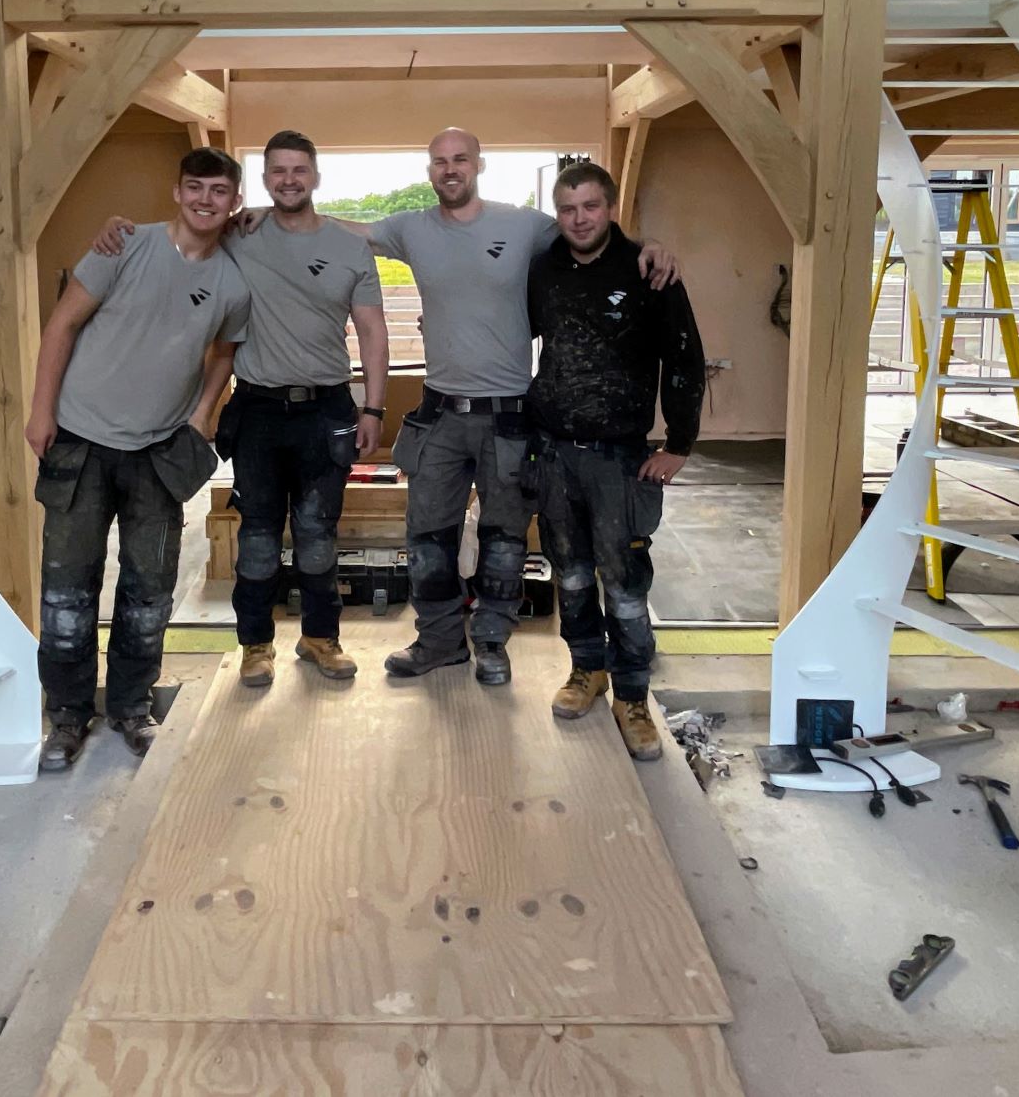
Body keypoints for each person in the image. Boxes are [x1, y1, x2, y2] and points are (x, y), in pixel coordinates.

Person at [314, 129, 677, 687]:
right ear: (429, 170)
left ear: (478, 165)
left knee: (505, 540)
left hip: (509, 416)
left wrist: (649, 243)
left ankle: (490, 643)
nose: (450, 168)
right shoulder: (409, 228)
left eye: (460, 159)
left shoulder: (523, 225)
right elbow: (350, 231)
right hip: (438, 414)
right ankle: (439, 642)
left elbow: (591, 232)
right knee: (427, 536)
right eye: (440, 161)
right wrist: (273, 214)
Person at [92, 132, 389, 689]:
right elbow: (187, 227)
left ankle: (321, 638)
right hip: (257, 410)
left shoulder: (349, 248)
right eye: (278, 171)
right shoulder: (238, 234)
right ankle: (255, 645)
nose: (289, 180)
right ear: (264, 179)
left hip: (326, 410)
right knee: (256, 540)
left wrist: (373, 407)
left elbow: (372, 329)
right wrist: (117, 227)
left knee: (317, 535)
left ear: (316, 176)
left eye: (299, 170)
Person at [24, 148, 250, 771]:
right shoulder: (122, 245)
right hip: (81, 438)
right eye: (195, 187)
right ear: (177, 192)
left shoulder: (232, 282)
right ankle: (67, 715)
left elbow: (224, 353)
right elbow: (62, 325)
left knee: (149, 591)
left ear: (234, 201)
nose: (206, 200)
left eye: (219, 191)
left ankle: (130, 706)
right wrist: (42, 411)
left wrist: (201, 418)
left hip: (159, 450)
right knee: (67, 592)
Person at [526, 161, 705, 762]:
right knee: (571, 574)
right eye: (568, 208)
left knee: (625, 584)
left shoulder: (648, 271)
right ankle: (587, 669)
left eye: (590, 206)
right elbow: (516, 331)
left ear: (609, 209)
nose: (579, 219)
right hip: (555, 453)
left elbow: (684, 357)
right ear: (558, 213)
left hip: (619, 459)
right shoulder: (544, 269)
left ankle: (632, 695)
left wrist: (679, 443)